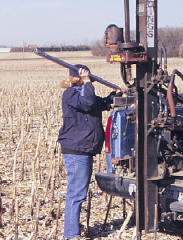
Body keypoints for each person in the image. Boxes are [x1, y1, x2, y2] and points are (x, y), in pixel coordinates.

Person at [58, 64, 121, 239]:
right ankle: (71, 234)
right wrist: (87, 82)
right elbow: (87, 103)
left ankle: (72, 231)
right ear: (78, 78)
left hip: (83, 148)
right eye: (85, 77)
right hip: (76, 149)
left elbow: (98, 103)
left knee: (79, 191)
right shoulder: (71, 94)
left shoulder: (85, 94)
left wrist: (114, 96)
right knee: (76, 192)